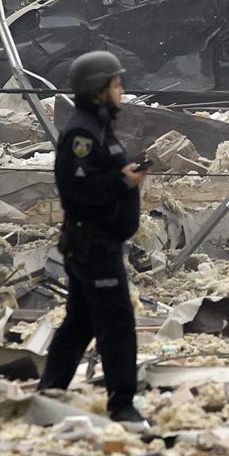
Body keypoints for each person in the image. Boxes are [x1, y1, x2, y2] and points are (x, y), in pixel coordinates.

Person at [40, 50, 149, 423]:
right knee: (117, 321)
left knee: (81, 320)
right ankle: (122, 404)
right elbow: (77, 191)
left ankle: (49, 391)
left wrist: (125, 174)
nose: (122, 90)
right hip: (92, 244)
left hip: (99, 242)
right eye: (116, 84)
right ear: (97, 90)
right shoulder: (81, 133)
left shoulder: (100, 127)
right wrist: (123, 180)